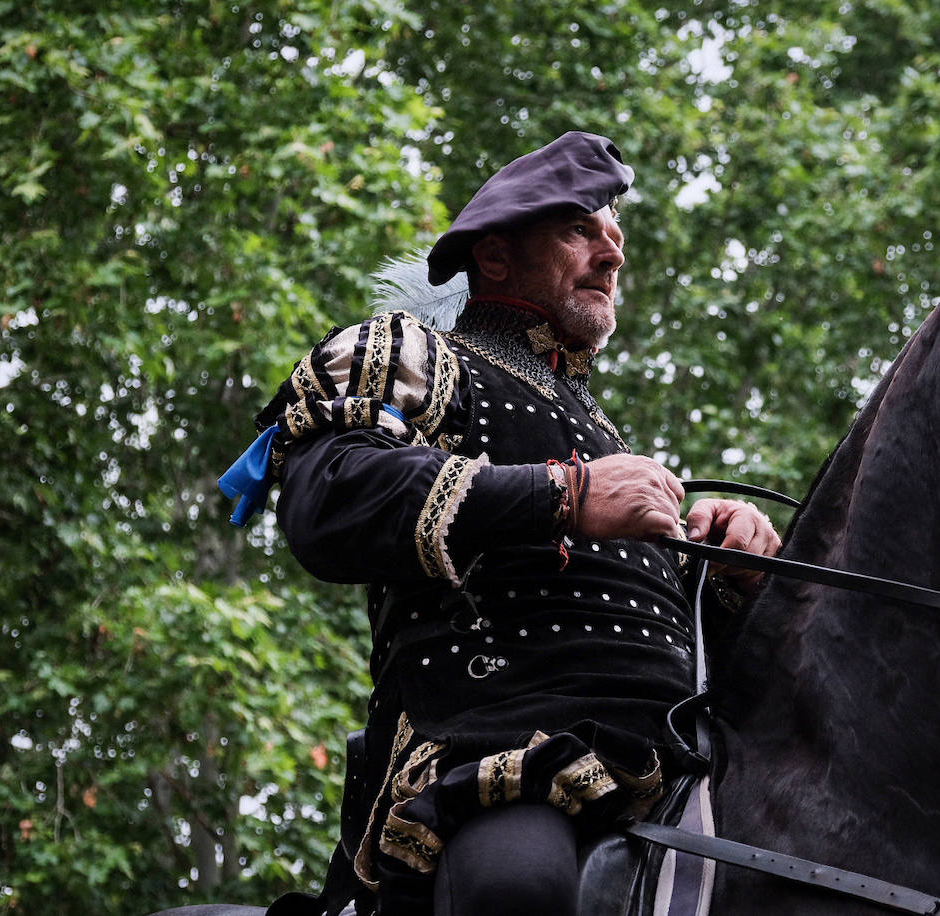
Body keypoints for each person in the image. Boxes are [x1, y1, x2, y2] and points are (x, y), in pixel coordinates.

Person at [220, 131, 781, 916]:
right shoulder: (411, 352)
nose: (612, 255)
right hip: (494, 751)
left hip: (682, 762)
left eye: (615, 237)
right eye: (581, 230)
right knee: (517, 886)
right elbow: (330, 499)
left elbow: (641, 626)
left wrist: (727, 577)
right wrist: (566, 492)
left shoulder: (607, 435)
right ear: (494, 256)